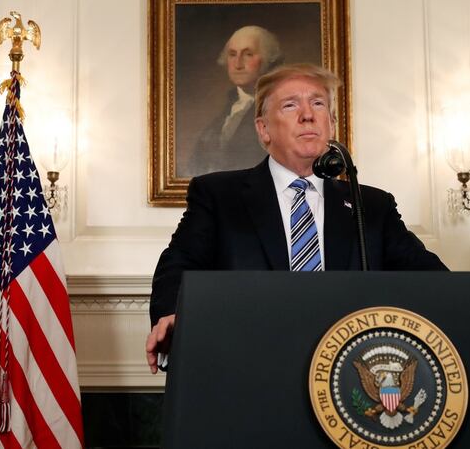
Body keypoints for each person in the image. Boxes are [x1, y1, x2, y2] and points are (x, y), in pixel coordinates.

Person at [146, 63, 447, 373]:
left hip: (347, 376)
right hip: (250, 368)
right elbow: (179, 264)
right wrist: (172, 315)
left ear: (331, 123)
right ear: (263, 129)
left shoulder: (371, 205)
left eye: (318, 103)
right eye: (291, 105)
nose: (308, 114)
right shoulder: (219, 195)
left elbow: (432, 281)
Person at [186, 25, 284, 176]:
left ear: (267, 60)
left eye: (248, 54)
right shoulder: (228, 110)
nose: (238, 64)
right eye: (232, 54)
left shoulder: (281, 109)